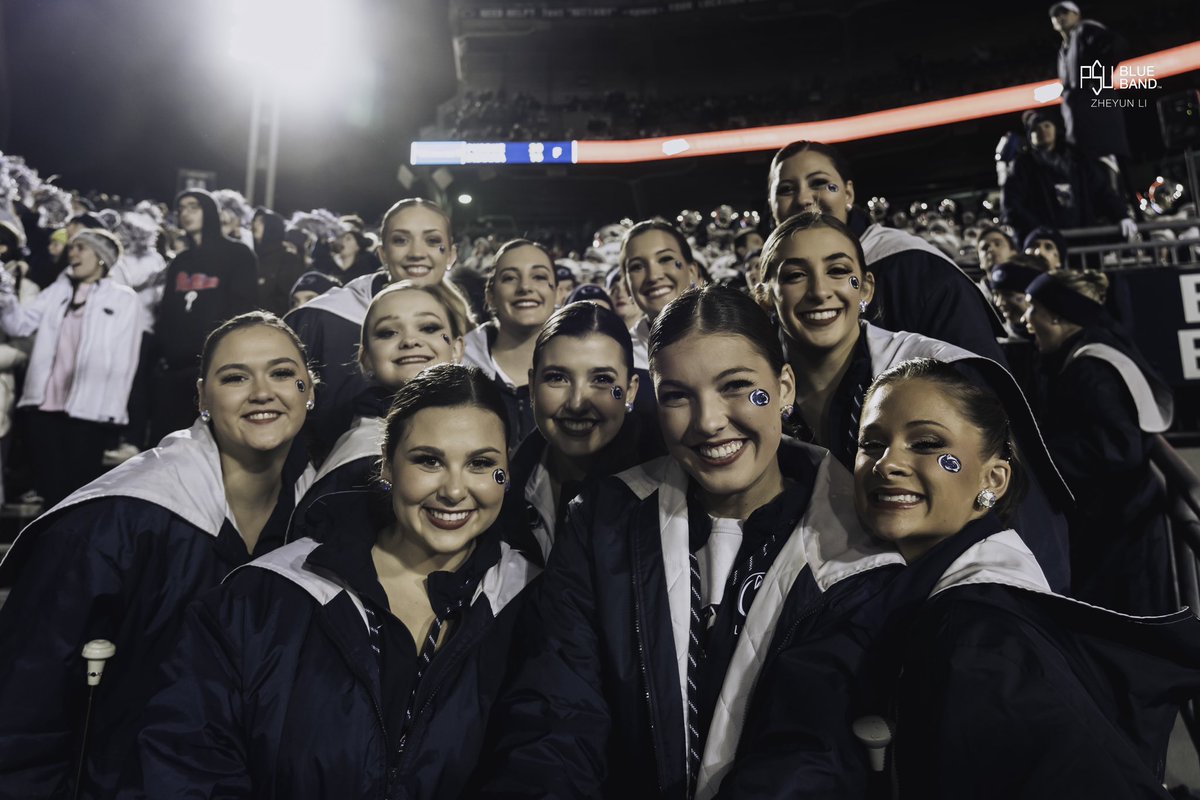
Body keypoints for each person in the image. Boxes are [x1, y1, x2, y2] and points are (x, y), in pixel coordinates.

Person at [476, 285, 904, 800]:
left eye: (737, 386)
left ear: (784, 388)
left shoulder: (859, 539)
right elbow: (556, 715)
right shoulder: (602, 521)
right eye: (678, 395)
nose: (707, 421)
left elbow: (815, 748)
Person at [721, 357, 1200, 799]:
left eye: (928, 444)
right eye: (872, 444)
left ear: (992, 480)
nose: (888, 463)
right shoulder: (926, 585)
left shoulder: (982, 634)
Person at [128, 364, 538, 800]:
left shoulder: (533, 600)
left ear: (506, 475)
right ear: (387, 467)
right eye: (428, 460)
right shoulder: (264, 595)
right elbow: (186, 756)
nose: (455, 490)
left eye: (482, 464)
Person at [0, 311, 314, 800]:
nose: (261, 391)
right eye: (234, 377)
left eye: (281, 373)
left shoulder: (321, 519)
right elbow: (22, 707)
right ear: (201, 398)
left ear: (308, 390)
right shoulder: (113, 521)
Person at [756, 211, 1070, 590]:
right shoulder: (749, 392)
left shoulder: (943, 372)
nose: (820, 291)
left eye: (839, 271)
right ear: (765, 295)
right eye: (794, 275)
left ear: (866, 288)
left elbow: (1014, 510)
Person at [768, 140, 1007, 363]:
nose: (804, 199)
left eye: (820, 183)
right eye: (786, 189)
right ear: (771, 206)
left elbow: (979, 390)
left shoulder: (915, 266)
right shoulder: (772, 282)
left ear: (848, 193)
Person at [1022, 270, 1174, 614]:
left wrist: (1033, 456)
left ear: (1057, 315)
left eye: (1032, 308)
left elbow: (1118, 448)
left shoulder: (1091, 369)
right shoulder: (1088, 351)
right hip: (1120, 527)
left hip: (1119, 534)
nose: (1024, 319)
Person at [286, 198, 460, 452]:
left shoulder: (464, 327)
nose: (417, 253)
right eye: (401, 240)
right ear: (382, 253)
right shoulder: (319, 318)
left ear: (452, 256)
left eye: (432, 241)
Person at [294, 280, 470, 527]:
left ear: (457, 348)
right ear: (365, 358)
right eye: (388, 332)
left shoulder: (480, 426)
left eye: (429, 327)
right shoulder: (360, 462)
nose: (410, 340)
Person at [508, 301, 660, 566]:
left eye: (601, 379)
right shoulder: (500, 491)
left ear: (631, 390)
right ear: (532, 387)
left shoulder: (670, 496)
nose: (577, 403)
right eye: (557, 378)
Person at [0, 229, 142, 506]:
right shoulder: (57, 291)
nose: (72, 253)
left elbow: (126, 360)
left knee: (78, 494)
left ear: (101, 257)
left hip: (89, 412)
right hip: (44, 408)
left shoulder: (123, 298)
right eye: (72, 248)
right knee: (51, 491)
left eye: (81, 247)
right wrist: (5, 293)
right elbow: (18, 325)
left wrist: (113, 410)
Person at [152, 189, 258, 443]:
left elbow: (241, 310)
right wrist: (165, 354)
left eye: (193, 207)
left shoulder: (238, 254)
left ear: (209, 212)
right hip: (175, 369)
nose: (185, 213)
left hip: (214, 366)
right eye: (182, 209)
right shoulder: (180, 262)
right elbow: (166, 312)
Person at [463, 239, 558, 447]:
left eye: (539, 277)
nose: (525, 287)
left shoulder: (579, 368)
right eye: (509, 278)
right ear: (490, 296)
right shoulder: (458, 367)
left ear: (557, 292)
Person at [1001, 109, 1135, 244]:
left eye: (1047, 125)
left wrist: (1121, 215)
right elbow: (1012, 206)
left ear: (1055, 129)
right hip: (1046, 246)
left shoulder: (1077, 160)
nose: (1043, 130)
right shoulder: (1022, 166)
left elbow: (1101, 190)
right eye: (1036, 128)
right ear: (1030, 136)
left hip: (1084, 242)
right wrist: (1040, 232)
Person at [619, 218, 700, 371]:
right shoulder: (620, 357)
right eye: (637, 267)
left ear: (692, 272)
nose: (653, 276)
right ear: (627, 287)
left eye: (665, 259)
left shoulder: (733, 336)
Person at [252, 207, 307, 316]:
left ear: (273, 227)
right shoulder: (253, 256)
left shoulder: (287, 258)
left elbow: (287, 298)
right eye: (255, 221)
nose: (255, 224)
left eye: (261, 221)